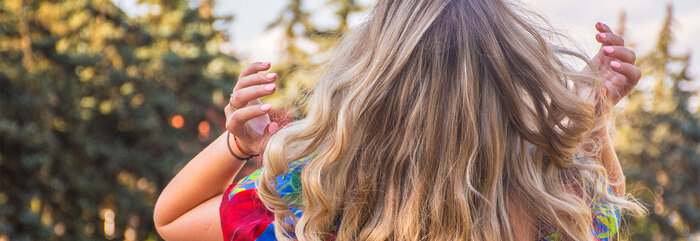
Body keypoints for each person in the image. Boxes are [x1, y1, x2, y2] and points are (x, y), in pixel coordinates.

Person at [153, 0, 645, 240]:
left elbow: (171, 219)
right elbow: (608, 204)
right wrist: (592, 108)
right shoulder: (543, 210)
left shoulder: (312, 205)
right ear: (509, 93)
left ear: (370, 86)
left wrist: (237, 146)